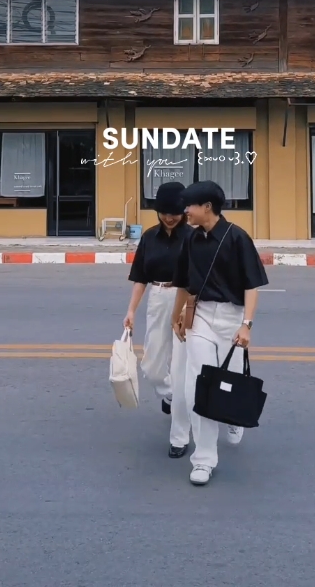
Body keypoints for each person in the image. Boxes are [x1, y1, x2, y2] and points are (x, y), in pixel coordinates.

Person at [171, 179, 269, 486]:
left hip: (232, 316)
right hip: (201, 315)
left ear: (207, 207)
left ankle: (232, 415)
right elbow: (184, 282)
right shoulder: (190, 239)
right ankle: (203, 460)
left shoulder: (237, 237)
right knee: (199, 386)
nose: (185, 211)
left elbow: (252, 285)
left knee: (230, 381)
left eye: (190, 205)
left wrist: (246, 325)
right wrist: (177, 316)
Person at [124, 181, 192, 458]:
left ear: (184, 211)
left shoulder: (194, 237)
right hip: (158, 296)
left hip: (187, 299)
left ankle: (180, 435)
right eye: (164, 212)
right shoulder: (149, 237)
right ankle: (171, 395)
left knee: (181, 366)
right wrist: (131, 310)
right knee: (151, 365)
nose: (169, 217)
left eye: (174, 212)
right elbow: (140, 277)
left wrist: (189, 307)